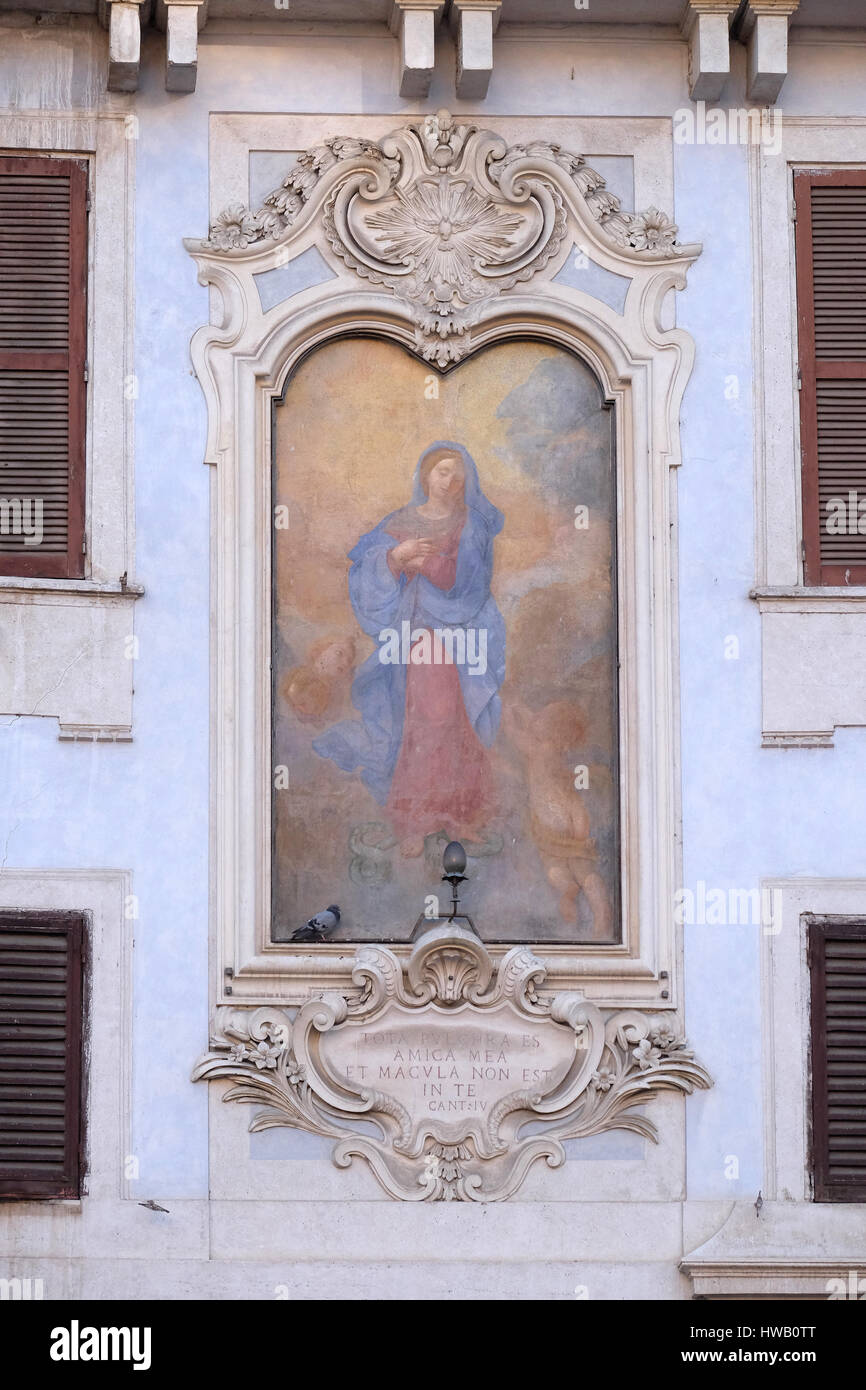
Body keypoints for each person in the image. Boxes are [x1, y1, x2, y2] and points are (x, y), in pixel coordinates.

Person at [313, 441, 505, 857]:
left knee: (457, 721)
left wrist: (428, 565)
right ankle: (416, 819)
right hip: (419, 635)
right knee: (425, 718)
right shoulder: (402, 520)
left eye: (457, 473)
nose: (449, 480)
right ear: (425, 476)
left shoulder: (471, 525)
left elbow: (468, 585)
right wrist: (396, 557)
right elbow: (365, 565)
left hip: (463, 635)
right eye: (441, 471)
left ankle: (458, 815)